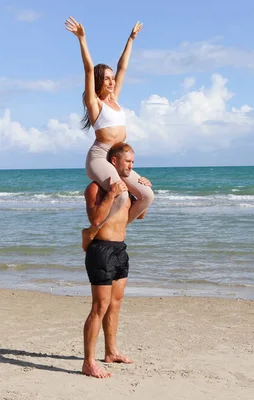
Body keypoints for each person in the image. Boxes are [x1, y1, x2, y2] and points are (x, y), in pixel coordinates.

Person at [65, 16, 154, 251]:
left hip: (118, 157)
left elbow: (124, 66)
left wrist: (131, 39)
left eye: (113, 78)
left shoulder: (115, 100)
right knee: (122, 196)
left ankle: (119, 228)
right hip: (100, 157)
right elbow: (87, 68)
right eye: (107, 79)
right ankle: (92, 232)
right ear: (98, 82)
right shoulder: (95, 103)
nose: (112, 82)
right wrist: (82, 39)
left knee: (147, 196)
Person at [82, 142, 152, 378]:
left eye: (133, 162)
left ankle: (111, 351)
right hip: (100, 249)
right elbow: (95, 219)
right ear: (113, 162)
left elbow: (139, 215)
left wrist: (144, 191)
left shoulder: (127, 191)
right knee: (99, 307)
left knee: (115, 304)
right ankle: (88, 362)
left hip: (120, 250)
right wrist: (111, 194)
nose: (131, 166)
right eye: (128, 162)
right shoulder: (95, 188)